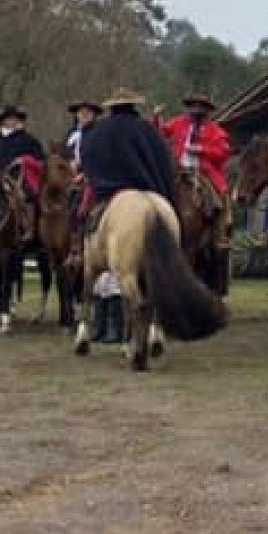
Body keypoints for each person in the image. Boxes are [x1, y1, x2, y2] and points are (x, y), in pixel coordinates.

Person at [77, 87, 178, 344]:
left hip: (110, 192)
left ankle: (78, 252)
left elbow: (89, 161)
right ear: (134, 106)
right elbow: (164, 162)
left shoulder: (99, 131)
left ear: (111, 107)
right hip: (151, 189)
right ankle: (157, 327)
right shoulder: (148, 130)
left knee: (83, 218)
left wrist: (100, 181)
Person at [161, 91, 234, 258]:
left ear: (207, 111)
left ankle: (220, 235)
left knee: (220, 199)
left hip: (203, 172)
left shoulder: (215, 130)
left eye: (200, 107)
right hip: (179, 170)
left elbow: (223, 152)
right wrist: (156, 119)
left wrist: (201, 150)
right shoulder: (179, 123)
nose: (196, 110)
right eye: (193, 106)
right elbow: (162, 131)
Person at [0, 104, 47, 200]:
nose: (12, 121)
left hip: (21, 181)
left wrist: (25, 161)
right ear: (3, 121)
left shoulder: (29, 140)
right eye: (9, 118)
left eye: (15, 118)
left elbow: (41, 162)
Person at [65, 101, 100, 170]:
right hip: (71, 172)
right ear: (77, 115)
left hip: (93, 172)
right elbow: (65, 149)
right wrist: (71, 160)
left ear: (94, 115)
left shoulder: (99, 132)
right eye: (81, 112)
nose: (84, 115)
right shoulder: (72, 132)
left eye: (88, 112)